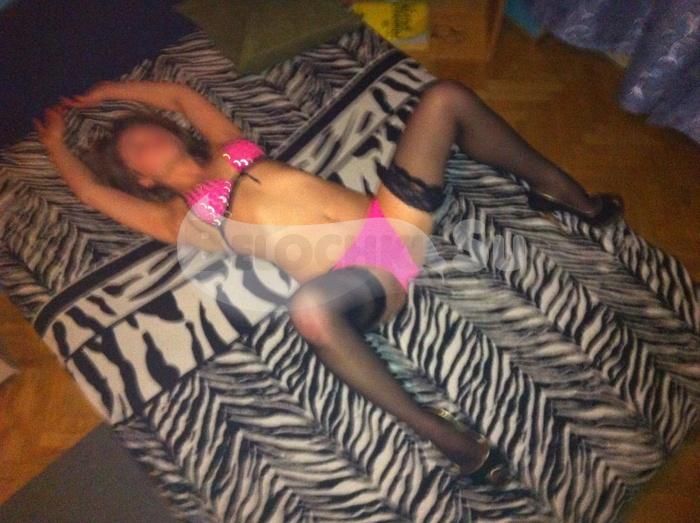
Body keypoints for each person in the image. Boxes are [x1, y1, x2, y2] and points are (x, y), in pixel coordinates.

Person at [34, 78, 623, 486]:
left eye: (146, 130)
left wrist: (107, 95)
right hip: (365, 282)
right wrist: (58, 146)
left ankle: (572, 198)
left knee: (445, 98)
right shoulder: (178, 218)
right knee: (307, 310)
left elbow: (177, 97)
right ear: (140, 179)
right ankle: (447, 439)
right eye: (134, 149)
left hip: (393, 221)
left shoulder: (231, 149)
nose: (148, 139)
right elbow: (89, 192)